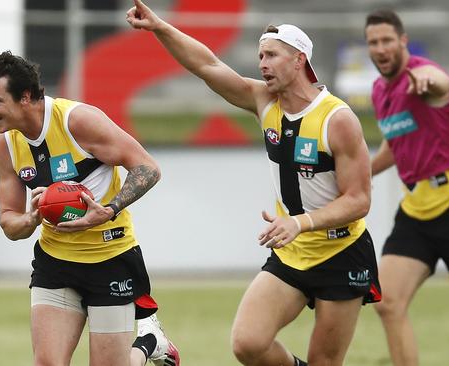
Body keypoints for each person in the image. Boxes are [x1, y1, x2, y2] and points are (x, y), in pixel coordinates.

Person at [127, 1, 381, 365]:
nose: (262, 63)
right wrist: (160, 27)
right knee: (247, 343)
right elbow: (207, 65)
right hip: (291, 251)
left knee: (326, 359)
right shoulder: (264, 101)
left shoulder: (337, 118)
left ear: (299, 60)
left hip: (342, 251)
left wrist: (299, 222)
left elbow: (359, 200)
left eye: (272, 55)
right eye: (260, 54)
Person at [0, 50, 180, 366]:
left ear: (26, 97)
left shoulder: (78, 121)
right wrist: (32, 218)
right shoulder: (5, 144)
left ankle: (149, 342)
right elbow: (8, 222)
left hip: (111, 258)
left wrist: (109, 209)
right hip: (56, 261)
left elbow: (147, 168)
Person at [364, 9, 449, 366]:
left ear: (403, 42)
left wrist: (428, 82)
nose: (380, 48)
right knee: (388, 302)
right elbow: (395, 143)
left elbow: (439, 82)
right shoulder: (380, 91)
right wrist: (354, 173)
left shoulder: (423, 76)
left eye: (387, 40)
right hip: (415, 212)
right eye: (373, 42)